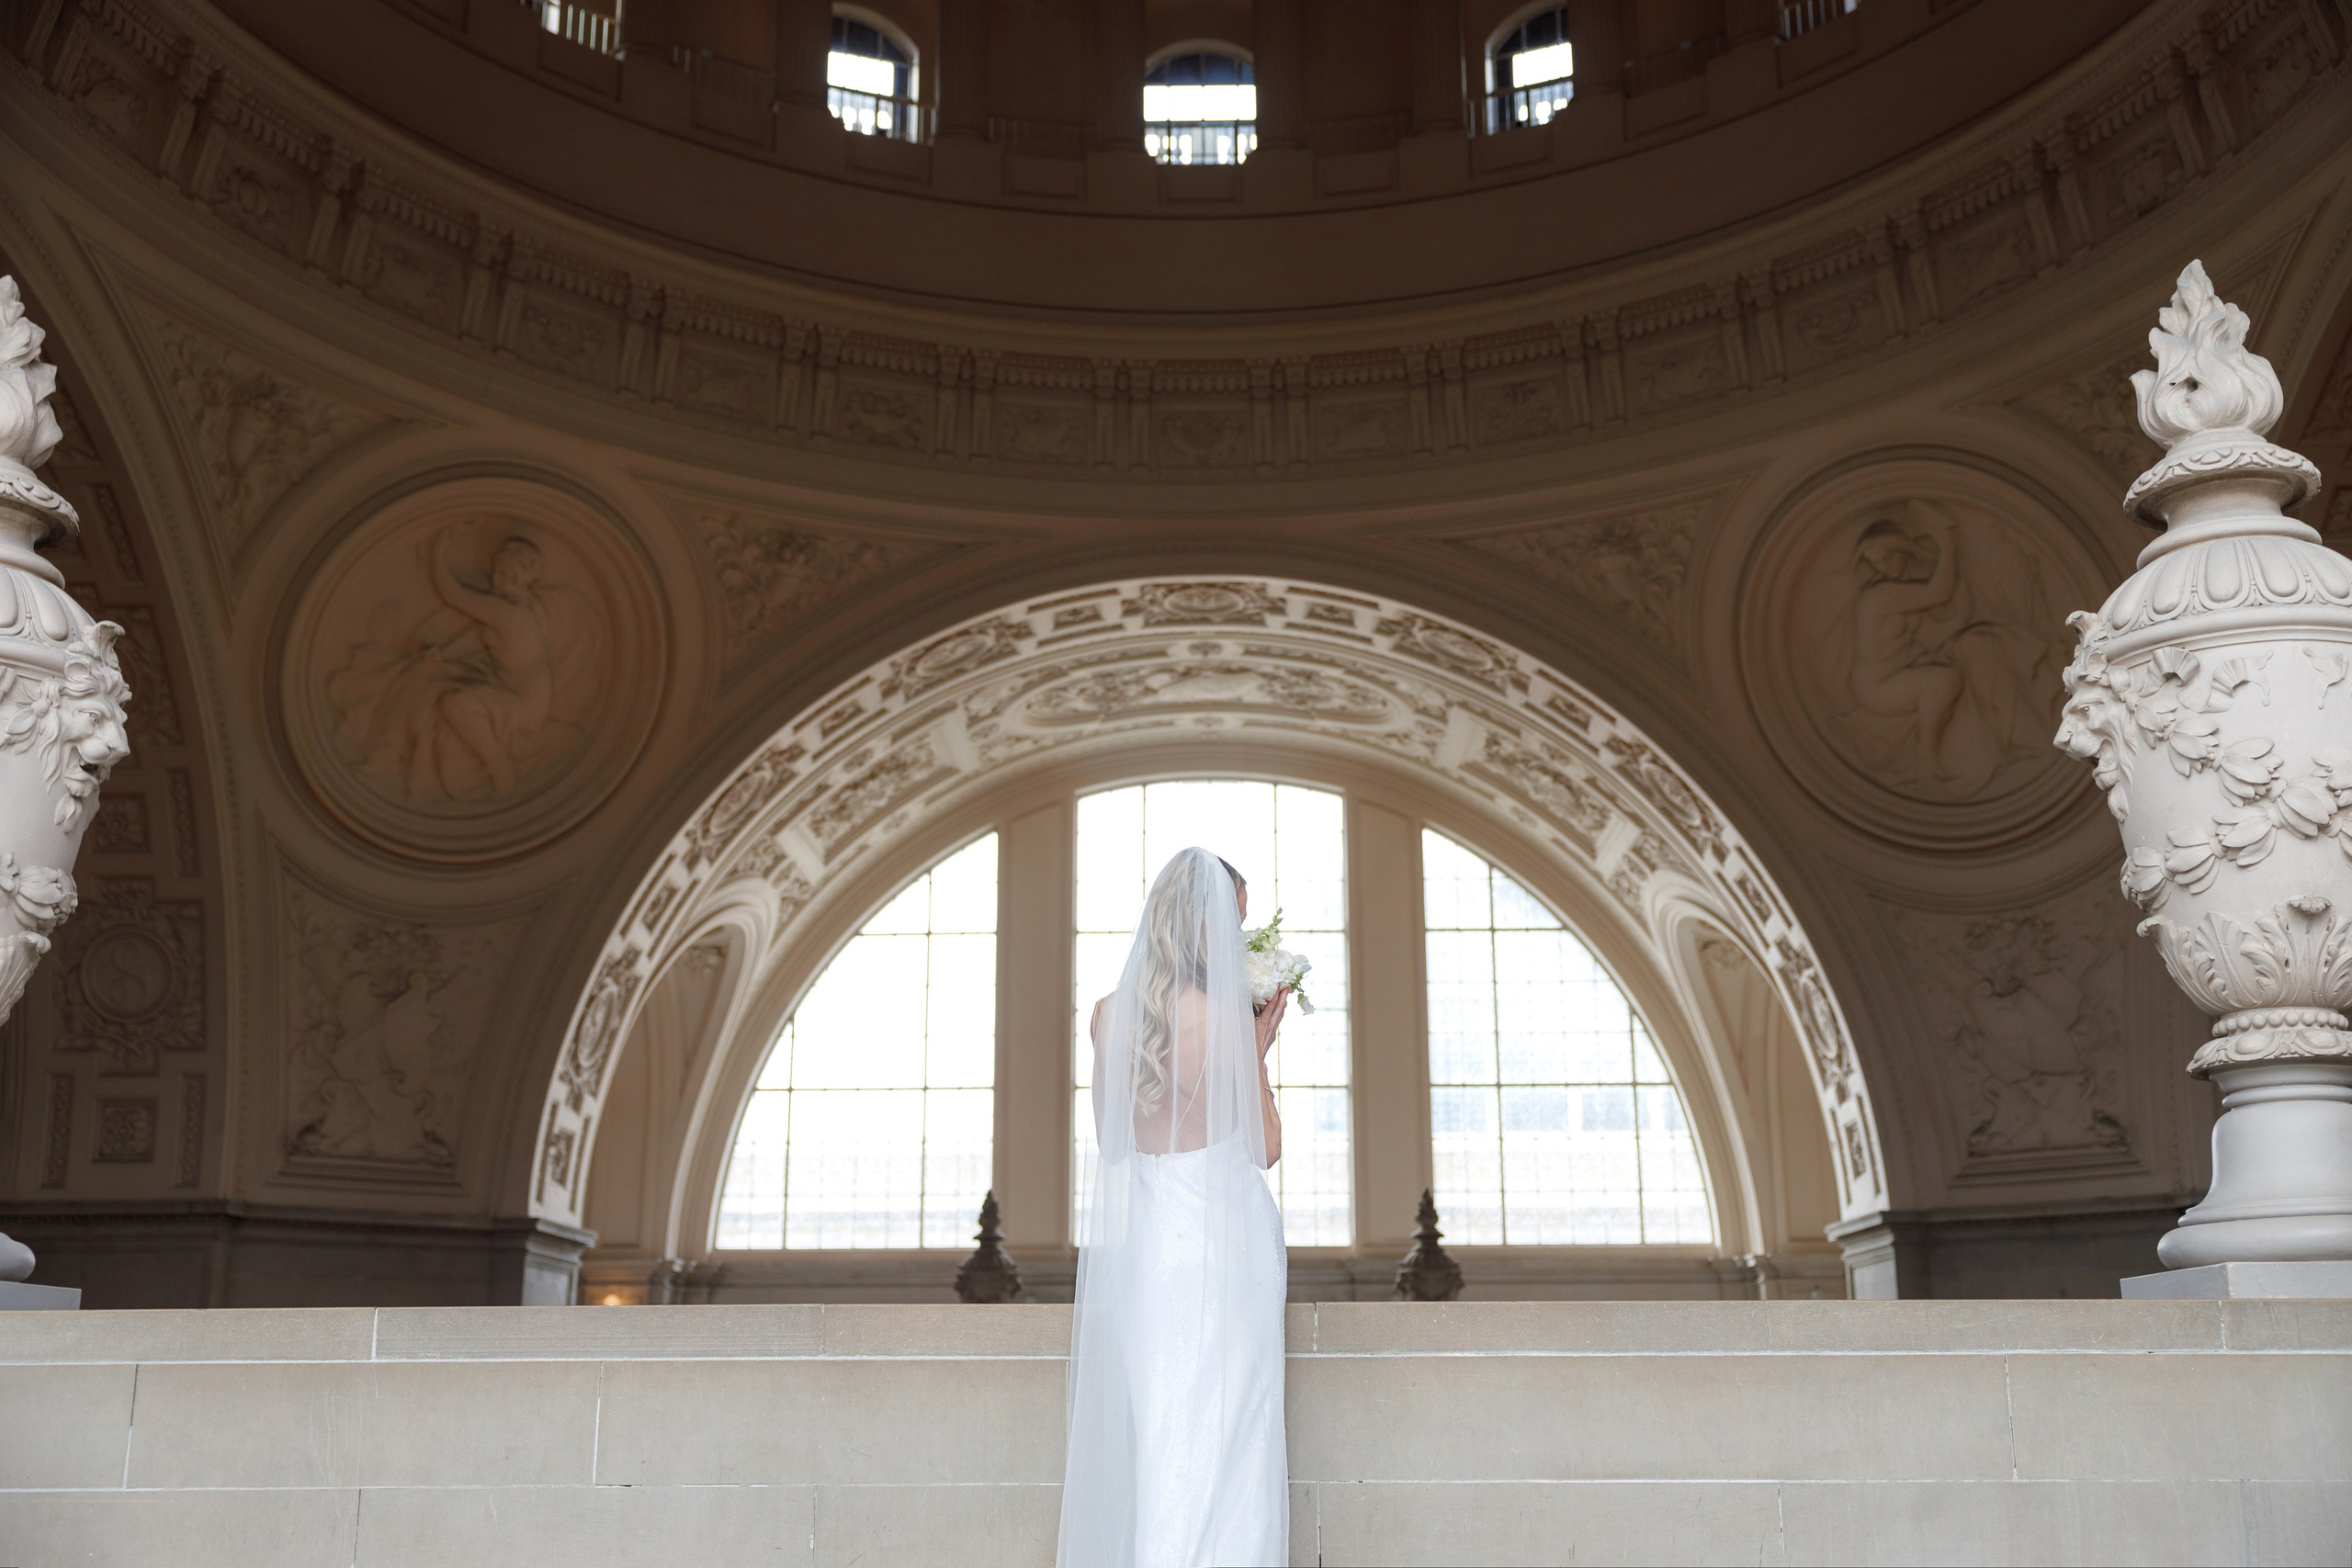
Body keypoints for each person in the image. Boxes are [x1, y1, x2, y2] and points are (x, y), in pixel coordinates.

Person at [1057, 847, 1291, 1568]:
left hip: (1153, 1251)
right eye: (1234, 923)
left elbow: (1113, 1146)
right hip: (1229, 1250)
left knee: (1164, 1439)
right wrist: (1258, 1049)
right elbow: (1266, 1147)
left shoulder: (1108, 1016)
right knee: (1236, 1439)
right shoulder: (1226, 1021)